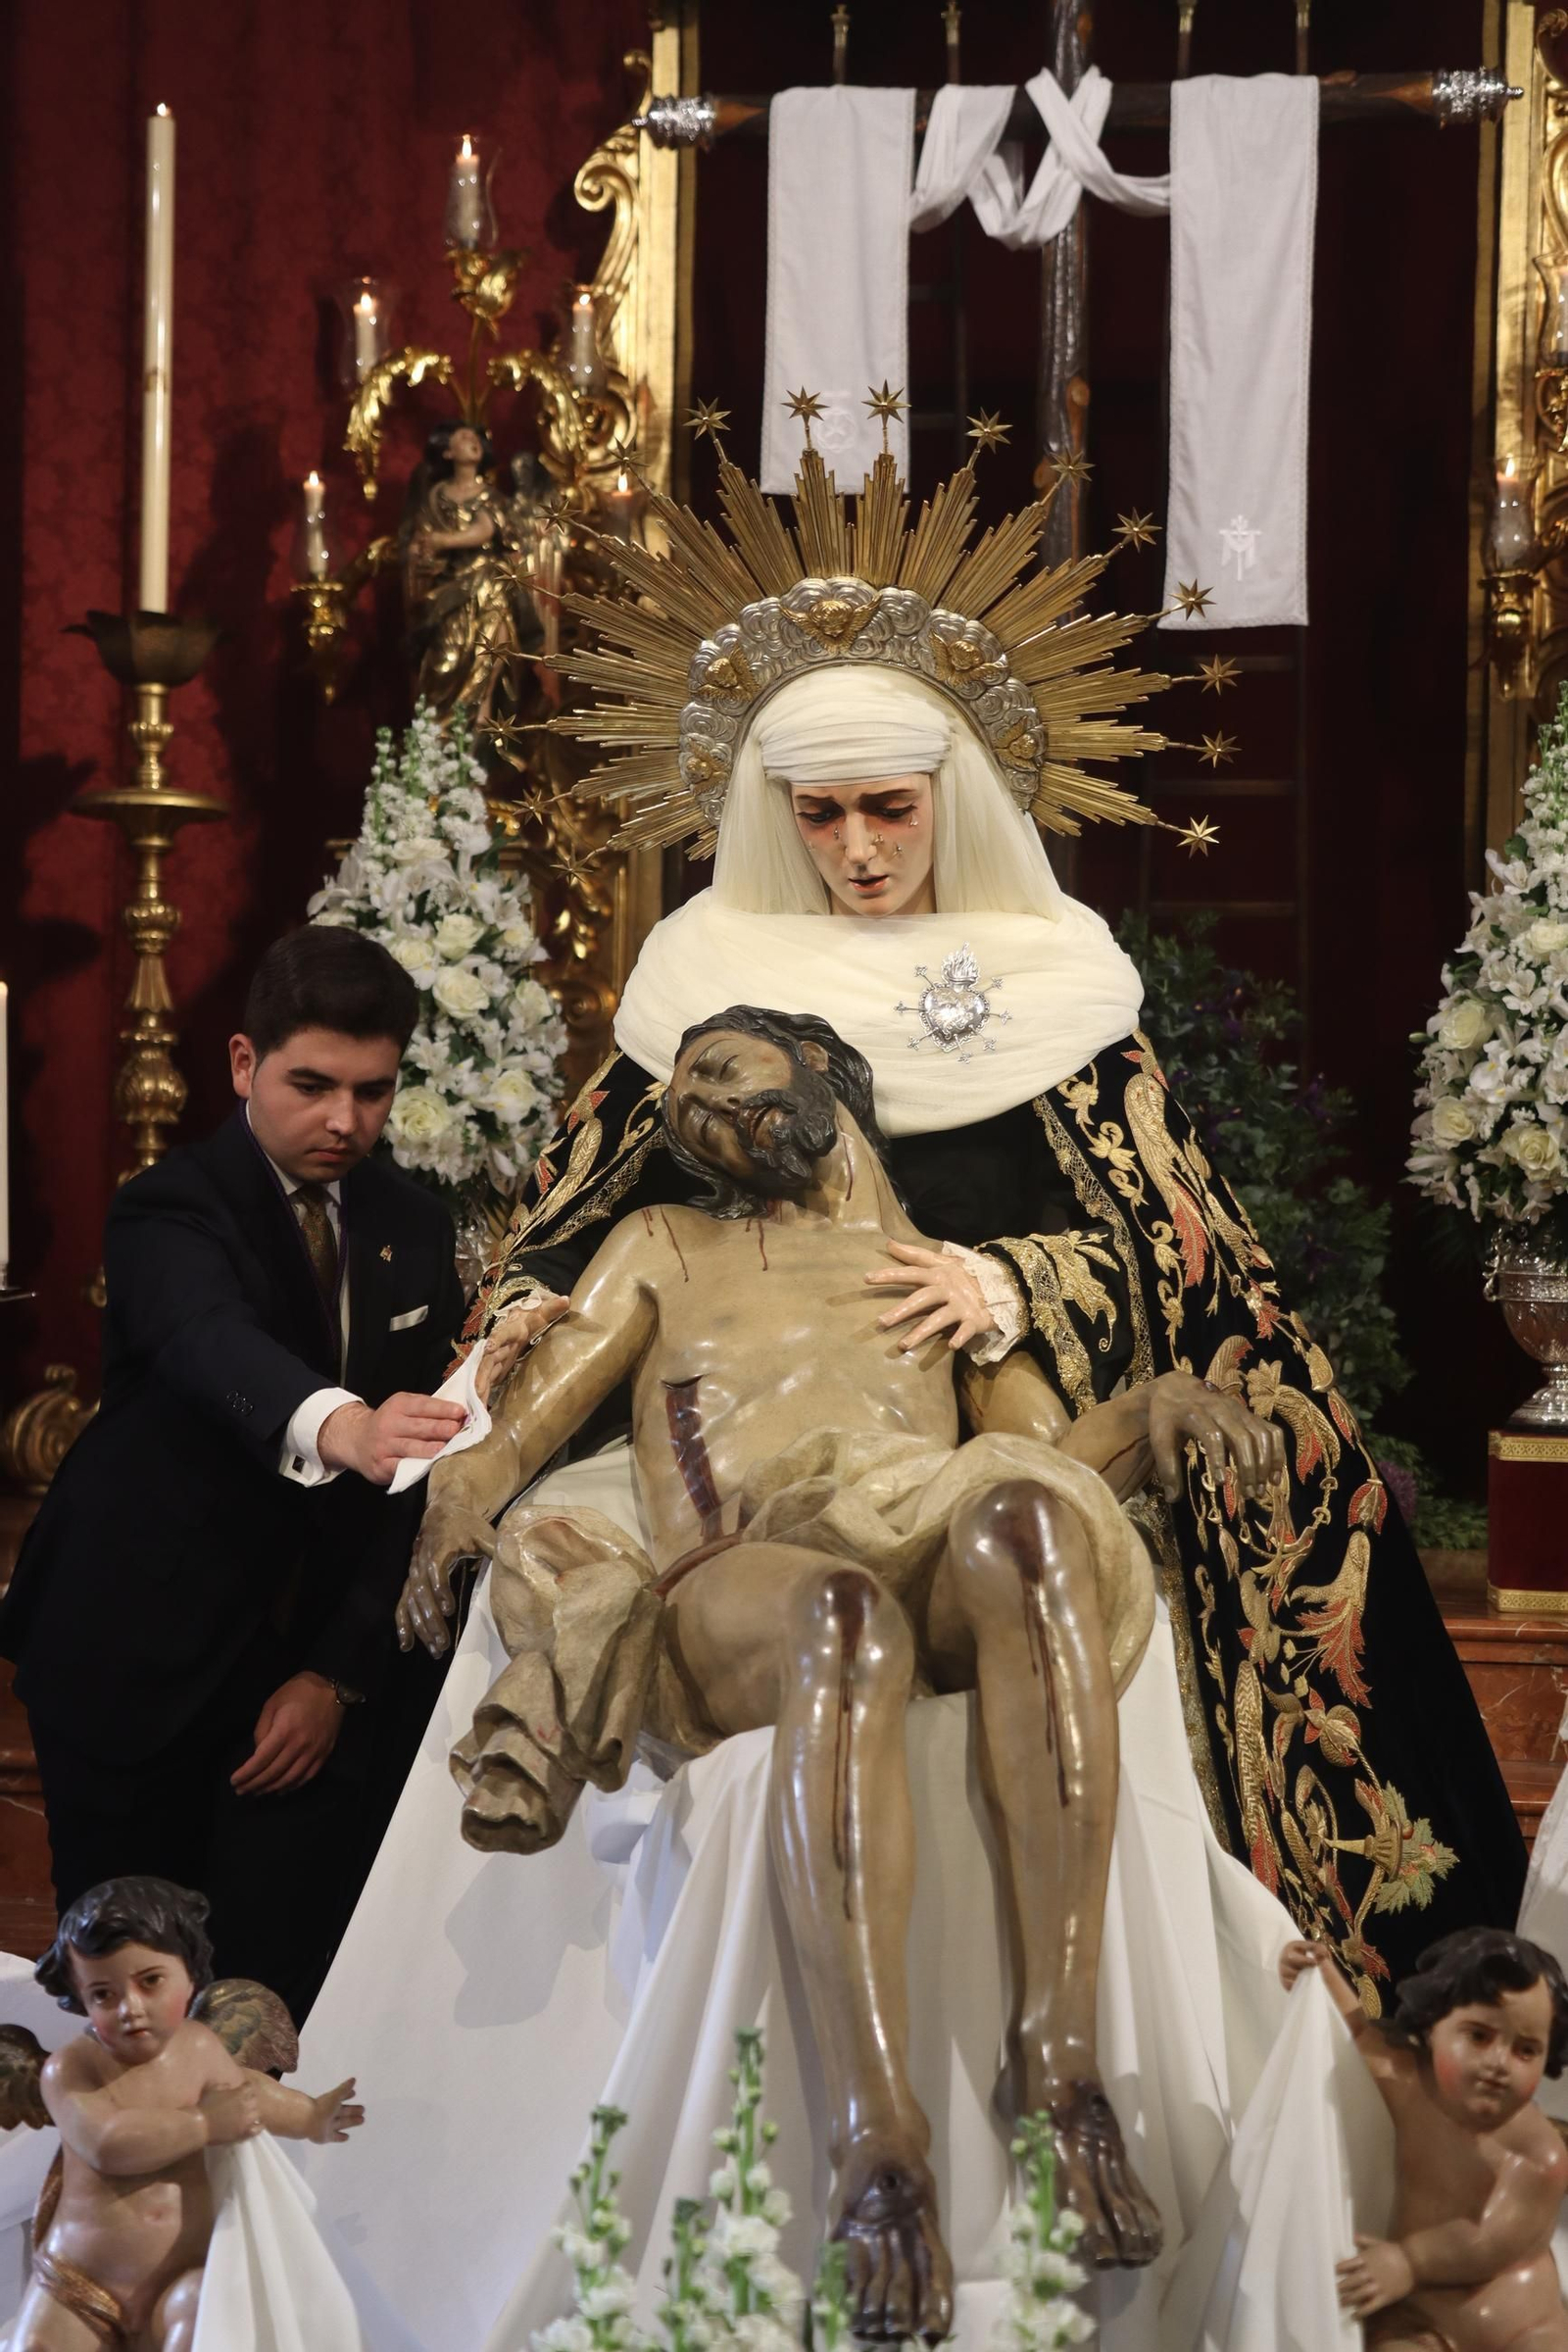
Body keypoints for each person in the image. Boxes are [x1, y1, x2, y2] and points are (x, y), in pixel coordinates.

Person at [465, 426, 1527, 1992]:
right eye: (819, 818)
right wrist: (521, 1321)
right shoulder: (706, 993)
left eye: (888, 809)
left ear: (948, 795)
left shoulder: (1057, 992)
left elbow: (1180, 1256)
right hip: (742, 1461)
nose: (859, 851)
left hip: (1003, 1423)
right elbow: (568, 1234)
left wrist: (1009, 1282)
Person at [400, 1004, 1288, 2338]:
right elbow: (519, 1430)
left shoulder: (939, 1278)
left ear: (820, 1073)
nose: (697, 1107)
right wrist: (458, 1493)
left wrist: (1153, 1410)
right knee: (846, 1623)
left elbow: (1047, 1454)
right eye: (682, 1096)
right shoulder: (664, 1245)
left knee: (1028, 1522)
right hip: (746, 1571)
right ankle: (881, 2143)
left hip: (916, 1512)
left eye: (723, 1071)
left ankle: (1062, 2058)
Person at [0, 927, 467, 2022]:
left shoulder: (414, 1225)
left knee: (268, 2004)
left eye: (372, 1091)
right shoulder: (168, 1207)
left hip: (301, 1674)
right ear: (244, 1064)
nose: (344, 1121)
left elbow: (424, 1481)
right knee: (120, 2001)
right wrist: (341, 1423)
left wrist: (335, 1679)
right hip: (132, 1661)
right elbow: (208, 1340)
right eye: (311, 1085)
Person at [9, 1875, 362, 2352]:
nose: (130, 2008)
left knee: (207, 2323)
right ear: (79, 1995)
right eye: (103, 1995)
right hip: (81, 2280)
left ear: (190, 1975)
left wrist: (311, 2117)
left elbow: (249, 2092)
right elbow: (108, 2143)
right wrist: (205, 2123)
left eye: (150, 1982)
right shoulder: (71, 2069)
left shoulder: (198, 2047)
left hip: (180, 2278)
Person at [1280, 1926, 1568, 2349]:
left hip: (1521, 2325)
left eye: (1525, 2050)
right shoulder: (1409, 2084)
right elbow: (1355, 2035)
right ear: (1433, 2026)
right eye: (1479, 2036)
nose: (1498, 2063)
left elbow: (1490, 2240)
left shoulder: (1541, 2155)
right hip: (1420, 2316)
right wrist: (1316, 1974)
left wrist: (1409, 2262)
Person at [399, 417, 539, 725]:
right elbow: (420, 539)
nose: (473, 440)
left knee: (490, 643)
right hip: (449, 587)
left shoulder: (490, 496)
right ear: (447, 452)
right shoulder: (436, 497)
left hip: (487, 578)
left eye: (476, 437)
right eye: (463, 437)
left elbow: (485, 529)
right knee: (444, 661)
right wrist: (420, 552)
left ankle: (483, 710)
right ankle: (440, 730)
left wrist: (442, 540)